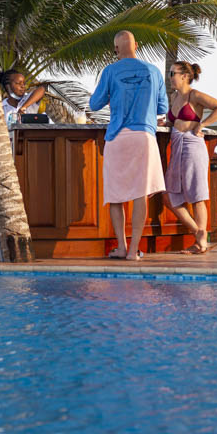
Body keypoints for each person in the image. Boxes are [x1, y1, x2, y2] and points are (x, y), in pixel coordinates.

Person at [89, 30, 167, 261]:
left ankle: (121, 247)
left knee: (115, 195)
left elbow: (94, 104)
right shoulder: (153, 71)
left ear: (115, 49)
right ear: (137, 45)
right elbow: (162, 107)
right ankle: (133, 251)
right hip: (144, 136)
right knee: (140, 194)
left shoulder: (110, 71)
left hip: (118, 137)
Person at [164, 61, 217, 254]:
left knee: (197, 195)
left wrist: (203, 124)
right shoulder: (175, 97)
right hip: (177, 146)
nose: (170, 77)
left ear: (184, 75)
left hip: (192, 145)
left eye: (172, 73)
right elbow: (173, 121)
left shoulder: (195, 95)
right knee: (169, 195)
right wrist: (164, 121)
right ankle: (198, 232)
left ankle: (201, 243)